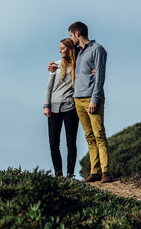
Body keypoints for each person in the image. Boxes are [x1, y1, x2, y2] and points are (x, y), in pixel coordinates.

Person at [50, 21, 111, 183]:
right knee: (89, 136)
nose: (71, 38)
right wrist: (52, 66)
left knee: (99, 134)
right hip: (77, 100)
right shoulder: (78, 52)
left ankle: (105, 171)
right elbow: (64, 57)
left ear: (77, 33)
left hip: (92, 99)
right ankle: (95, 171)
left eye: (71, 35)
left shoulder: (97, 49)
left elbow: (100, 75)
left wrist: (95, 99)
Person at [44, 38, 79, 178]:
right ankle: (58, 175)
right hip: (53, 108)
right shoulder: (55, 66)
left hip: (71, 108)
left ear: (70, 49)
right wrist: (46, 105)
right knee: (53, 143)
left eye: (63, 48)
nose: (60, 51)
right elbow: (49, 87)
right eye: (60, 48)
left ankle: (70, 174)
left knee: (71, 142)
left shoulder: (78, 65)